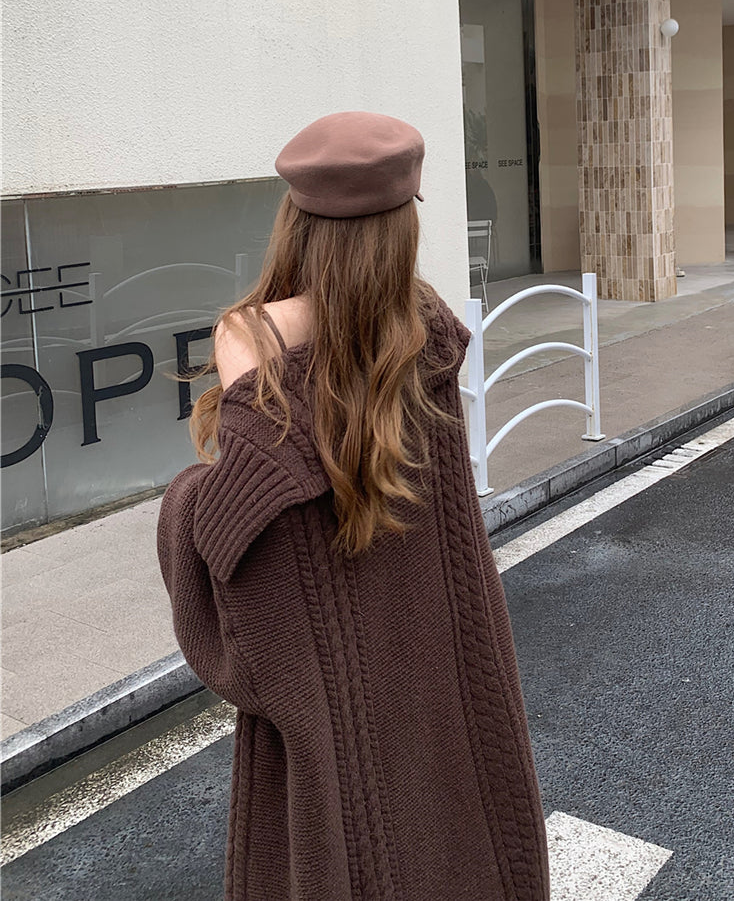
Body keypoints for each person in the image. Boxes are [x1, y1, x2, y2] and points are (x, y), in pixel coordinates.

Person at [157, 111, 550, 901]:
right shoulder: (421, 332)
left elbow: (240, 582)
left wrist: (196, 481)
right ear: (404, 226)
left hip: (334, 720)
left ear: (295, 221)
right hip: (440, 687)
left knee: (353, 851)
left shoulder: (254, 345)